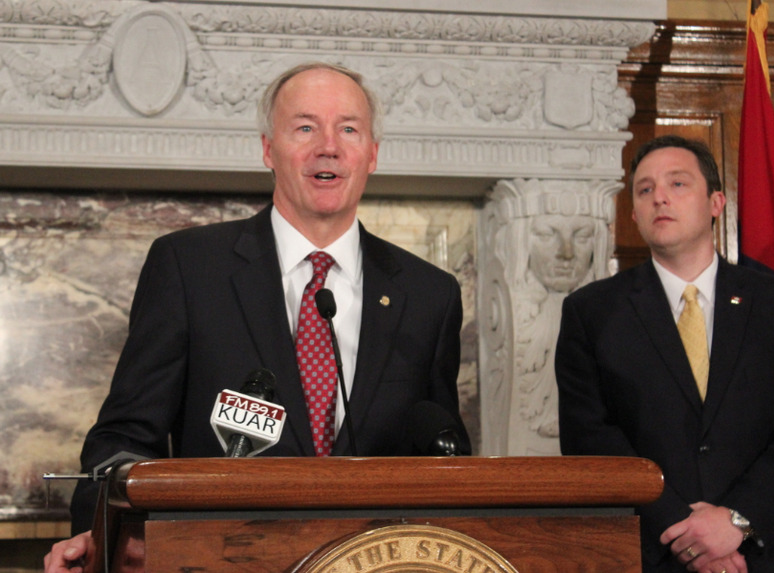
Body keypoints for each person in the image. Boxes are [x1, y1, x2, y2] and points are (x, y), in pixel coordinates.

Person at [45, 62, 470, 572]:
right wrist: (98, 536)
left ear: (372, 154)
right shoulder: (188, 267)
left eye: (349, 129)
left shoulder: (430, 295)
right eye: (305, 127)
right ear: (269, 149)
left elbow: (444, 462)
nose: (328, 146)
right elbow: (123, 440)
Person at [556, 134, 774, 573]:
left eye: (678, 184)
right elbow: (590, 439)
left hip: (767, 554)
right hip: (649, 555)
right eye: (645, 189)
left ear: (716, 203)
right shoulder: (591, 313)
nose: (659, 198)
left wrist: (737, 521)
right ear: (633, 213)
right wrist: (685, 532)